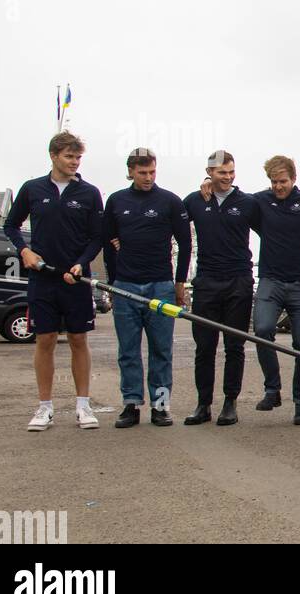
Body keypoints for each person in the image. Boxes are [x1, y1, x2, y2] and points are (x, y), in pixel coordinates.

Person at [4, 131, 104, 432]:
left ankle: (83, 406)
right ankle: (44, 408)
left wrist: (81, 262)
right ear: (53, 156)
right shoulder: (33, 189)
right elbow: (11, 224)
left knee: (78, 339)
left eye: (77, 157)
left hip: (76, 280)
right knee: (45, 339)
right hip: (42, 279)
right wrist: (24, 250)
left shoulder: (89, 193)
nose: (74, 162)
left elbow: (97, 236)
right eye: (69, 156)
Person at [102, 148, 191, 428]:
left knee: (161, 350)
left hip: (161, 285)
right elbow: (107, 243)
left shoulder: (170, 202)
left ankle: (161, 405)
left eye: (152, 171)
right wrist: (113, 285)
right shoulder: (116, 201)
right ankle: (131, 404)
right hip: (126, 285)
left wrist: (179, 284)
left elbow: (186, 244)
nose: (148, 177)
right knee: (128, 350)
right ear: (130, 171)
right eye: (142, 173)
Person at [247, 156, 300, 425]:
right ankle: (272, 389)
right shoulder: (261, 202)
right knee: (261, 331)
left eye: (283, 181)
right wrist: (207, 183)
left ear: (294, 179)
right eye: (274, 182)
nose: (278, 187)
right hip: (270, 281)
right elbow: (232, 199)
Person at [181, 151, 255, 427]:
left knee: (234, 346)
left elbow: (277, 228)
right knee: (205, 347)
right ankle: (203, 404)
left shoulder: (248, 203)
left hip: (239, 281)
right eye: (222, 172)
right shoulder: (195, 201)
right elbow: (169, 227)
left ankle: (230, 403)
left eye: (231, 172)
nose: (227, 177)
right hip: (207, 282)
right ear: (209, 172)